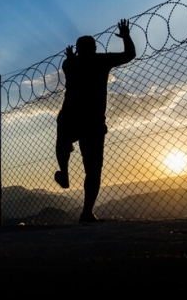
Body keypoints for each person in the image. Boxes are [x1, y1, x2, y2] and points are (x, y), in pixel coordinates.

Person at [54, 19, 136, 223]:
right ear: (95, 47)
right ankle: (87, 212)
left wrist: (71, 56)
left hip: (70, 117)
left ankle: (64, 173)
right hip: (92, 121)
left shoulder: (69, 64)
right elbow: (129, 55)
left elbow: (70, 64)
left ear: (78, 49)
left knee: (63, 140)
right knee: (93, 170)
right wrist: (125, 36)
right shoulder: (101, 60)